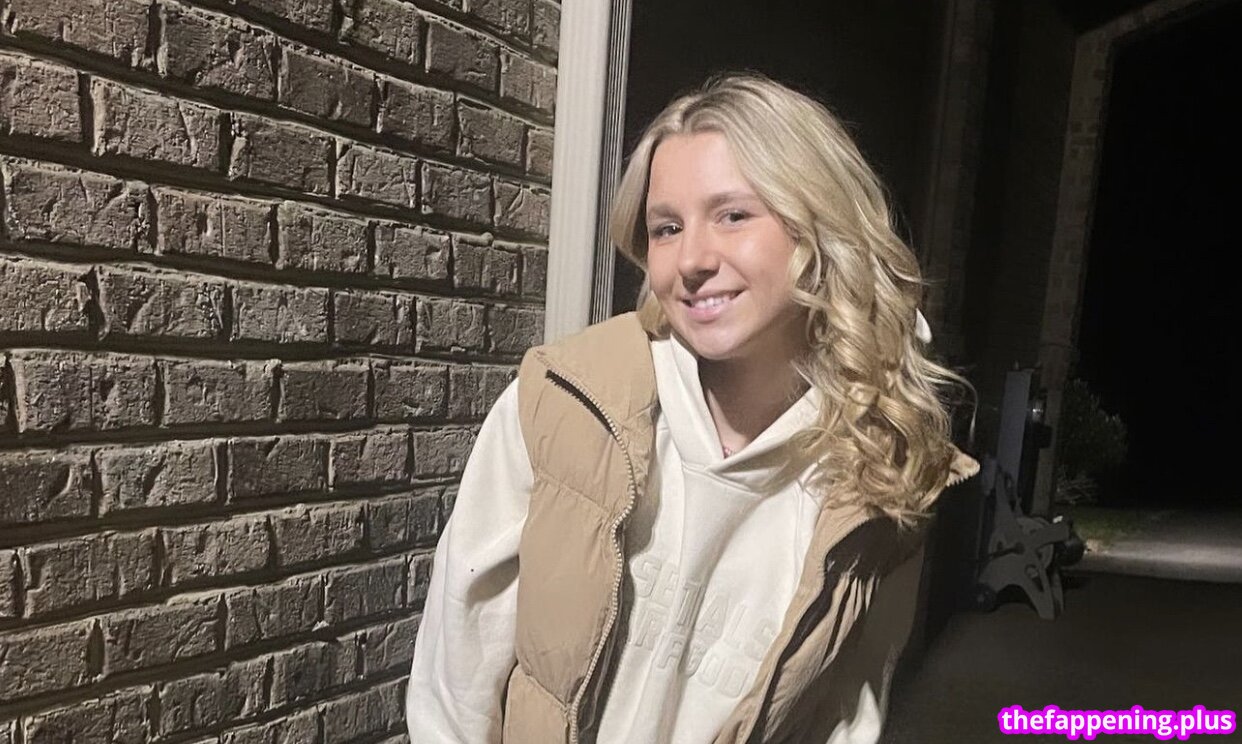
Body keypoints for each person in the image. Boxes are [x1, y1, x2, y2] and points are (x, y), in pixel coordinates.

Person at [406, 72, 979, 743]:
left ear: (819, 228)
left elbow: (850, 712)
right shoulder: (563, 403)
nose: (691, 260)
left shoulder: (882, 464)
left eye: (733, 215)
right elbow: (457, 675)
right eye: (667, 228)